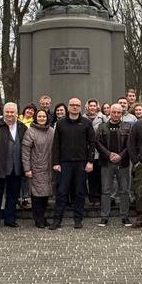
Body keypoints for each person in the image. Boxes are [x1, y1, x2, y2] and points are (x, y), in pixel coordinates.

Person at [49, 98, 96, 230]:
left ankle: (78, 219)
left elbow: (92, 143)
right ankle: (57, 220)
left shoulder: (86, 123)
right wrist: (56, 163)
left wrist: (90, 162)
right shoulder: (61, 123)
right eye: (72, 105)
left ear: (80, 107)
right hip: (64, 163)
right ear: (68, 107)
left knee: (80, 192)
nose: (75, 107)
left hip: (82, 163)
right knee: (62, 192)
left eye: (77, 105)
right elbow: (56, 144)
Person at [0, 103, 26, 229]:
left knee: (13, 195)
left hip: (16, 167)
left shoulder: (22, 127)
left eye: (12, 112)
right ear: (3, 112)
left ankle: (10, 219)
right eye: (7, 112)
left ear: (16, 113)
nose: (9, 114)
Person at [96, 103, 132, 227]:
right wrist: (109, 154)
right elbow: (98, 143)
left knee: (124, 190)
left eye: (119, 112)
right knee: (105, 190)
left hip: (123, 163)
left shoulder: (127, 127)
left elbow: (129, 145)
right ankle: (104, 217)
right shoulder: (101, 127)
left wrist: (120, 156)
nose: (116, 114)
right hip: (107, 163)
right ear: (109, 113)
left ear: (121, 113)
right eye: (114, 112)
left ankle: (125, 217)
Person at [21, 108, 55, 228]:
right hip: (35, 168)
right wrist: (27, 169)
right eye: (39, 116)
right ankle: (38, 219)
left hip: (49, 168)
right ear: (36, 118)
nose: (42, 118)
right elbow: (25, 152)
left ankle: (43, 217)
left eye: (44, 117)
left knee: (46, 195)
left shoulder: (51, 131)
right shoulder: (31, 131)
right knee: (37, 196)